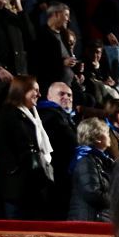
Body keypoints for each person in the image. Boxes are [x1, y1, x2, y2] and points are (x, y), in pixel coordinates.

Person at [0, 75, 54, 219]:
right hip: (16, 188)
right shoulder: (7, 115)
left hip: (33, 186)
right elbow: (0, 145)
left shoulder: (33, 115)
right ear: (21, 91)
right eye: (35, 90)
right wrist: (15, 169)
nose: (39, 94)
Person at [37, 81, 78, 217]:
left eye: (70, 95)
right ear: (49, 97)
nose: (67, 97)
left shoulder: (65, 116)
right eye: (61, 94)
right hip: (54, 180)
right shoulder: (49, 115)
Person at [0, 0, 32, 107]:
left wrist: (19, 8)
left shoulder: (10, 17)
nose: (2, 1)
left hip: (16, 78)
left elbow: (30, 35)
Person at [68, 117, 114, 222]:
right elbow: (92, 193)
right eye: (106, 133)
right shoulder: (85, 160)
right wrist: (117, 199)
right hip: (88, 221)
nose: (109, 136)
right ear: (98, 138)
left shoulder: (102, 160)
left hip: (98, 218)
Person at [34, 2, 76, 88]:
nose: (68, 19)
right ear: (56, 14)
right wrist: (62, 63)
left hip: (69, 84)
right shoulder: (41, 35)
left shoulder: (64, 35)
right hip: (52, 86)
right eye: (66, 15)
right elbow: (40, 62)